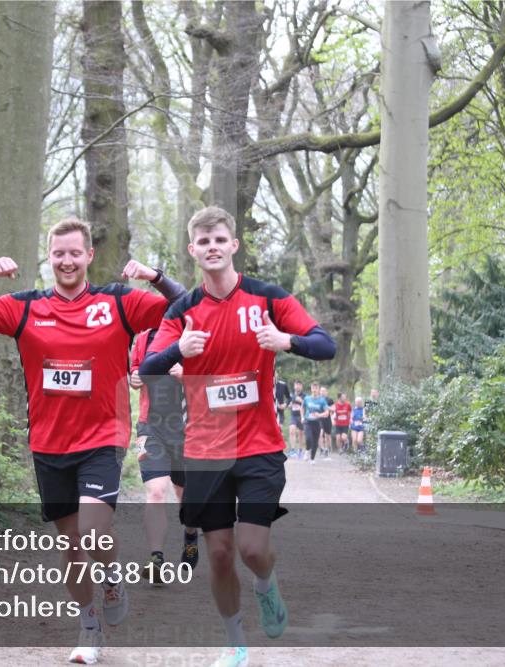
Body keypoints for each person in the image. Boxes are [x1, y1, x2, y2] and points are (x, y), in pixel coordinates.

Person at [0, 217, 185, 665]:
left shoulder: (119, 302)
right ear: (48, 256)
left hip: (103, 437)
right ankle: (89, 624)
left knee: (93, 532)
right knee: (72, 546)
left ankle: (111, 576)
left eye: (75, 253)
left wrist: (156, 277)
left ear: (89, 255)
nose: (67, 261)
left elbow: (189, 306)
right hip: (49, 444)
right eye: (59, 253)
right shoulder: (25, 307)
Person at [139, 206, 335, 667]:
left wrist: (287, 342)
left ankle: (266, 585)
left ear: (233, 245)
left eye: (219, 240)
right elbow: (145, 368)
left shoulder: (267, 299)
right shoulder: (182, 310)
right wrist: (176, 350)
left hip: (259, 446)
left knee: (251, 548)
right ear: (193, 250)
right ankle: (234, 642)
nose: (211, 247)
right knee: (221, 554)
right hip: (205, 451)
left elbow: (325, 344)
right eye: (203, 241)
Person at [129, 328, 199, 582]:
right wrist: (134, 377)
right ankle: (156, 557)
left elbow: (212, 380)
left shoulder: (192, 335)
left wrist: (186, 375)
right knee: (156, 491)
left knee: (184, 492)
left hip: (187, 428)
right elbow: (135, 370)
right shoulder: (144, 338)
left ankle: (190, 534)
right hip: (150, 428)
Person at [301, 383, 328, 464]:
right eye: (313, 387)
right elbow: (302, 408)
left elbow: (327, 412)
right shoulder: (307, 398)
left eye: (316, 388)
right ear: (311, 389)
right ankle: (307, 450)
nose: (314, 389)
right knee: (309, 438)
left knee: (315, 441)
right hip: (308, 421)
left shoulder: (322, 400)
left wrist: (319, 414)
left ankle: (312, 459)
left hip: (317, 422)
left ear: (318, 389)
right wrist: (302, 417)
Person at [287, 381, 305, 458]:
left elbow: (307, 404)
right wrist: (289, 405)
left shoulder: (304, 395)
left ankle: (300, 450)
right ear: (294, 386)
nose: (297, 386)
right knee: (291, 430)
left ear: (302, 387)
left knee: (301, 434)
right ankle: (293, 450)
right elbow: (287, 404)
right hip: (293, 416)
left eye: (299, 385)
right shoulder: (291, 395)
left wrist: (301, 400)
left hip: (301, 416)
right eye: (296, 385)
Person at [318, 385, 334, 458]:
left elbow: (333, 409)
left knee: (328, 436)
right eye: (321, 391)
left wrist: (327, 407)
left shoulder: (330, 400)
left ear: (326, 392)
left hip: (327, 419)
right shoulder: (317, 399)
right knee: (320, 434)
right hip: (319, 419)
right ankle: (321, 449)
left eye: (324, 391)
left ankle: (328, 448)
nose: (322, 392)